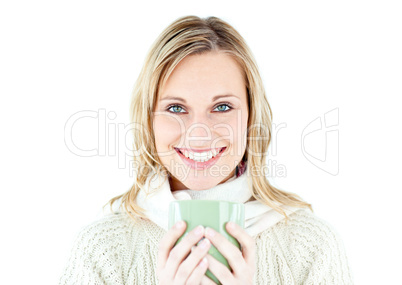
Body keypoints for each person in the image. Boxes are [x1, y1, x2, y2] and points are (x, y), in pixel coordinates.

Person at [59, 15, 354, 284]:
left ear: (252, 117)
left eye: (222, 107)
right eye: (176, 108)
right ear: (148, 120)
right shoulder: (101, 250)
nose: (199, 134)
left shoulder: (313, 247)